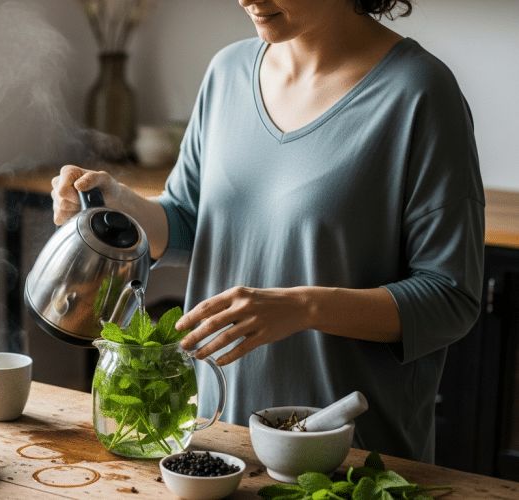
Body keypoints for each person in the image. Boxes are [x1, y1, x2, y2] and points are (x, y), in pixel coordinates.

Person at [50, 0, 483, 463]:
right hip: (218, 442)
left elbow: (450, 298)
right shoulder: (227, 71)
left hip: (346, 456)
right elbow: (192, 223)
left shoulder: (419, 92)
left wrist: (305, 307)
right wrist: (120, 202)